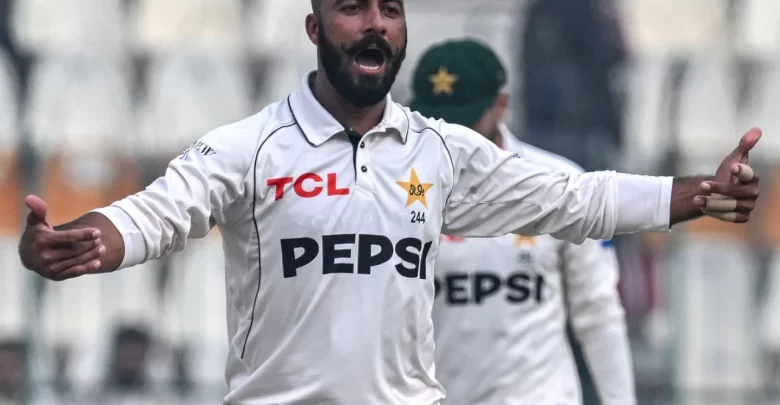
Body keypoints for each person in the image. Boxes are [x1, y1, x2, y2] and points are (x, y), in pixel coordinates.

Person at [17, 0, 761, 403]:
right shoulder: (249, 147)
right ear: (314, 28)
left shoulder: (440, 152)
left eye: (390, 9)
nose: (374, 22)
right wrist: (89, 238)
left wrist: (701, 192)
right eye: (351, 8)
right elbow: (156, 212)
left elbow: (578, 198)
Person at [409, 38, 635, 405]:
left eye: (462, 122)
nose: (449, 136)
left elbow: (597, 311)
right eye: (436, 121)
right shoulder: (400, 190)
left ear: (501, 106)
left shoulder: (556, 182)